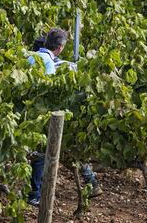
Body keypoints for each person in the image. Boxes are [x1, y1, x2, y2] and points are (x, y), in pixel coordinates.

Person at [27, 28, 102, 207]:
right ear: (59, 47)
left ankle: (36, 193)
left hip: (33, 113)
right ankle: (90, 182)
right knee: (64, 149)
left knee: (40, 153)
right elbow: (53, 89)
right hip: (50, 116)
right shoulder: (48, 63)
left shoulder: (32, 58)